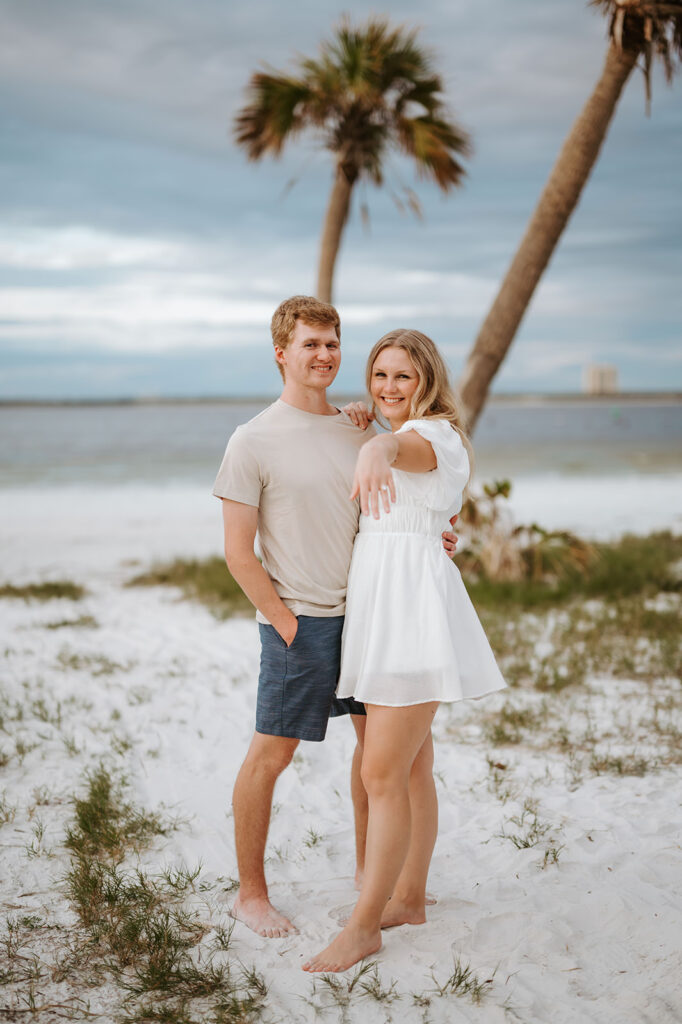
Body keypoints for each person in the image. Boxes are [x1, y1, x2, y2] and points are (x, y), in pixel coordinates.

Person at [212, 299, 458, 938]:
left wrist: (440, 536)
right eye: (311, 344)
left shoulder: (359, 427)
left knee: (376, 756)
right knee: (272, 753)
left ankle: (364, 873)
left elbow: (404, 498)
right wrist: (283, 622)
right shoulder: (252, 439)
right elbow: (239, 553)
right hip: (303, 622)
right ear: (281, 353)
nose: (324, 355)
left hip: (374, 617)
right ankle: (251, 892)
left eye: (332, 343)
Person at [303, 329, 507, 974]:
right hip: (379, 608)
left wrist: (379, 446)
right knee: (410, 766)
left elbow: (410, 450)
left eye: (404, 377)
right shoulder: (388, 428)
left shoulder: (436, 436)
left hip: (411, 614)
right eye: (380, 376)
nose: (390, 388)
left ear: (428, 381)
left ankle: (365, 927)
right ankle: (410, 897)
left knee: (382, 773)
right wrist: (366, 428)